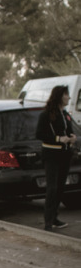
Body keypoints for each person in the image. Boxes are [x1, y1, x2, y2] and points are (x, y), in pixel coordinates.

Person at [36, 84, 77, 231]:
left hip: (64, 155)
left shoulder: (65, 114)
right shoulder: (46, 114)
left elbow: (70, 130)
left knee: (60, 187)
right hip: (51, 154)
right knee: (52, 188)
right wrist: (59, 139)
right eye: (66, 94)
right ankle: (48, 220)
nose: (69, 97)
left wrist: (72, 137)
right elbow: (39, 134)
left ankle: (54, 217)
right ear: (59, 96)